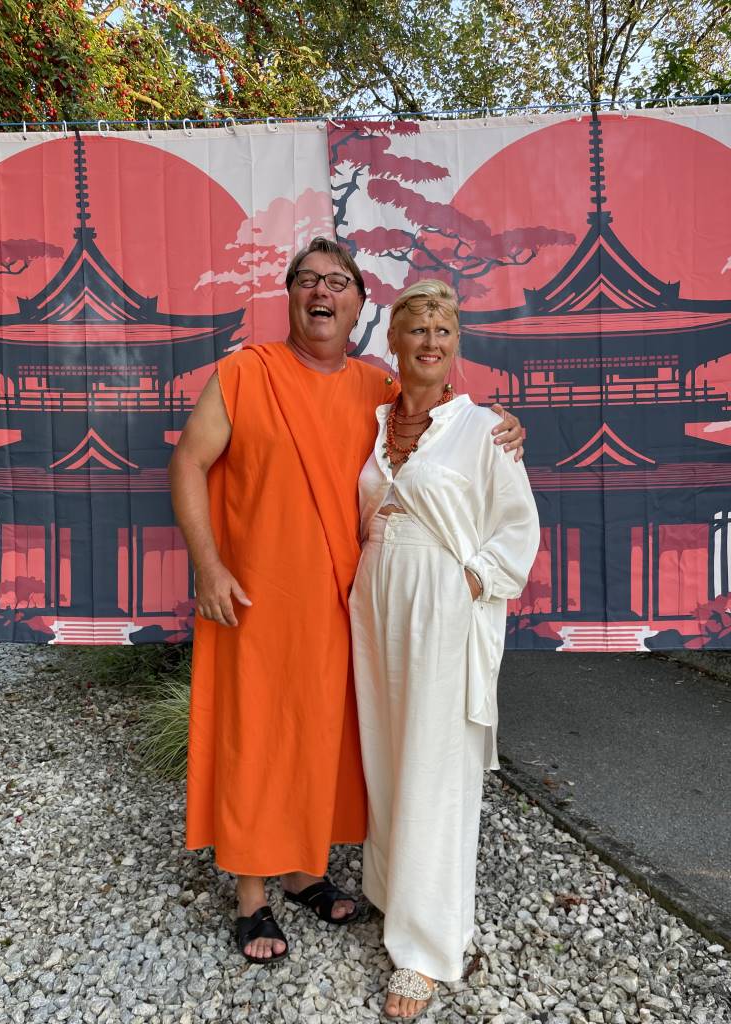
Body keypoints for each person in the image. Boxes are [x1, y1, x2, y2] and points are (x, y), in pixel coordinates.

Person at [168, 239, 526, 965]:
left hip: (349, 604)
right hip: (258, 598)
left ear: (361, 305)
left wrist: (507, 426)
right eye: (307, 280)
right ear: (290, 296)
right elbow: (188, 462)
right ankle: (252, 896)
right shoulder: (244, 373)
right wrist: (208, 567)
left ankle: (303, 870)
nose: (321, 291)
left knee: (328, 738)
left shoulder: (378, 391)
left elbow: (446, 430)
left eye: (338, 282)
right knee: (259, 737)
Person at [349, 279, 540, 1019]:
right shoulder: (374, 421)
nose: (430, 342)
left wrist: (472, 580)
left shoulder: (484, 429)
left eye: (444, 331)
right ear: (393, 341)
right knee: (386, 750)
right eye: (418, 329)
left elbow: (517, 525)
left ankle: (427, 948)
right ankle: (391, 891)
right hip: (375, 594)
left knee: (434, 762)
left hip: (441, 599)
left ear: (456, 344)